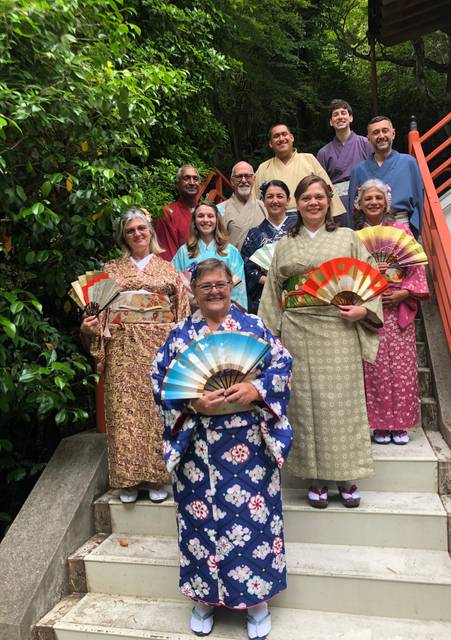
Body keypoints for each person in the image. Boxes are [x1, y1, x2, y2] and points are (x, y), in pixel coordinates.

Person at [151, 258, 293, 640]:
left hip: (248, 442)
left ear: (232, 285)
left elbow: (282, 367)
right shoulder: (180, 334)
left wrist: (257, 389)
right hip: (198, 445)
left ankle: (257, 601)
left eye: (220, 284)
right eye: (205, 286)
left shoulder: (254, 327)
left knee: (252, 521)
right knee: (199, 521)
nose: (214, 292)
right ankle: (204, 598)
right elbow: (160, 380)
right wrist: (193, 403)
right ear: (193, 293)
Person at [259, 175, 383, 509]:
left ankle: (347, 476)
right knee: (305, 405)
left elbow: (371, 281)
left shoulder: (348, 237)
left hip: (338, 328)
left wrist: (362, 310)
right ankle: (315, 477)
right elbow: (273, 291)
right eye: (305, 198)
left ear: (329, 200)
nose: (312, 203)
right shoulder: (285, 243)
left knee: (343, 404)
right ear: (295, 204)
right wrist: (270, 337)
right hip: (298, 329)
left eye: (318, 197)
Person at [80, 209, 190, 503]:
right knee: (123, 409)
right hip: (122, 346)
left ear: (151, 232)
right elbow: (96, 310)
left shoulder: (168, 269)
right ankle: (126, 481)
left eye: (142, 228)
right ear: (123, 236)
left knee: (157, 410)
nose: (138, 234)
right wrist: (90, 327)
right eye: (131, 230)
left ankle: (157, 477)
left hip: (159, 344)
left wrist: (180, 345)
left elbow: (182, 311)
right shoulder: (111, 269)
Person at [353, 179, 429, 445]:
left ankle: (401, 424)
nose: (373, 202)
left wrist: (404, 293)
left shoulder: (401, 232)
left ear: (386, 201)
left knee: (401, 369)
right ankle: (380, 425)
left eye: (378, 198)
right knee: (373, 368)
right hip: (370, 311)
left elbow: (416, 268)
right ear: (359, 203)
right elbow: (348, 274)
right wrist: (365, 296)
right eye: (367, 198)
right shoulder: (353, 238)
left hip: (397, 309)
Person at [348, 116, 424, 237]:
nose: (381, 136)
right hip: (369, 233)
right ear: (368, 138)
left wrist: (415, 233)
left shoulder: (408, 163)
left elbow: (419, 202)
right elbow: (353, 210)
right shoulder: (358, 170)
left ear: (393, 133)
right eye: (375, 132)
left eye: (385, 130)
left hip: (402, 229)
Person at [254, 123, 346, 218]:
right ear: (270, 143)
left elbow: (327, 190)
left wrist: (331, 218)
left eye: (284, 134)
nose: (281, 139)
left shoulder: (309, 159)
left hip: (310, 218)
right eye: (276, 136)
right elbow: (255, 202)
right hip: (275, 221)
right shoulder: (263, 168)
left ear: (292, 138)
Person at [172, 202, 248, 309]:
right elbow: (175, 282)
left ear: (217, 220)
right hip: (193, 310)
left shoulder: (231, 251)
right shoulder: (184, 251)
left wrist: (218, 301)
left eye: (210, 216)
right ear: (194, 221)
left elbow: (238, 288)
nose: (205, 220)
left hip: (224, 311)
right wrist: (193, 300)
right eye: (200, 216)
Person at [241, 180, 297, 313]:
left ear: (288, 200)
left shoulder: (299, 228)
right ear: (264, 201)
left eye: (280, 196)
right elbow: (247, 266)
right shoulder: (254, 233)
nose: (275, 201)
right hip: (266, 293)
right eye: (270, 197)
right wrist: (270, 281)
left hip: (296, 290)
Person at [316, 99, 372, 221]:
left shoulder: (366, 144)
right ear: (331, 122)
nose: (340, 117)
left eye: (343, 113)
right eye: (335, 114)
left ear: (350, 118)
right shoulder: (323, 153)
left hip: (365, 200)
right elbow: (319, 186)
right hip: (337, 204)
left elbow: (377, 173)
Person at [217, 161, 267, 250]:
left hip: (261, 262)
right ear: (232, 181)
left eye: (248, 176)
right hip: (232, 262)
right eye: (239, 176)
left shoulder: (264, 207)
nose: (243, 180)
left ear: (254, 179)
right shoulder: (220, 209)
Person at [156, 164, 200, 260]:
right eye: (186, 178)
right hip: (181, 271)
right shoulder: (167, 212)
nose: (192, 182)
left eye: (195, 178)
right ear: (178, 184)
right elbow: (168, 255)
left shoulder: (206, 213)